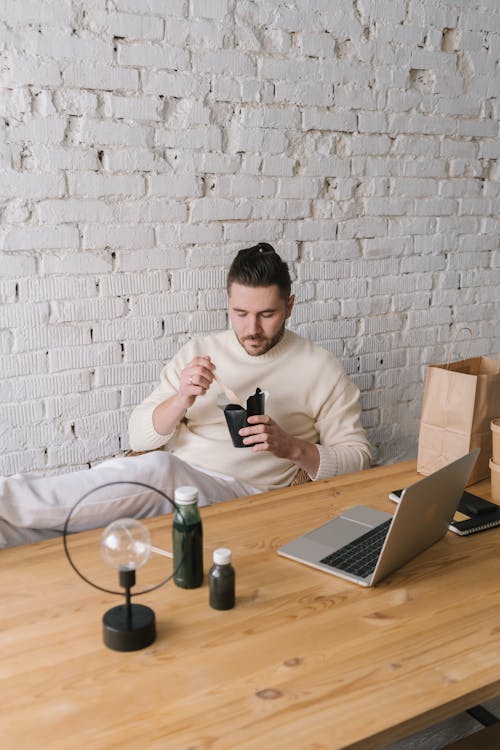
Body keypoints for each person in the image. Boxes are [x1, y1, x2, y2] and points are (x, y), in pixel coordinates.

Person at [0, 244, 370, 548]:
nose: (252, 329)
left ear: (289, 306)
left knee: (159, 470)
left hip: (245, 495)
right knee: (115, 484)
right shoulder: (200, 350)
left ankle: (7, 498)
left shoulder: (320, 367)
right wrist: (180, 399)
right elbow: (138, 438)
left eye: (267, 314)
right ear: (227, 303)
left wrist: (292, 448)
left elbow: (359, 458)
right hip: (179, 482)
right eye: (240, 313)